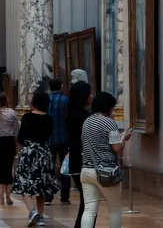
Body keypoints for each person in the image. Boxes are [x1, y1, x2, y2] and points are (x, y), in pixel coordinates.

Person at [80, 92, 131, 228]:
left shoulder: (87, 122)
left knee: (89, 209)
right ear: (108, 107)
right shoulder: (109, 123)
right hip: (106, 171)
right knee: (114, 208)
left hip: (86, 170)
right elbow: (117, 149)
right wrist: (124, 138)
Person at [12, 91, 58, 227]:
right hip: (44, 153)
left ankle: (32, 212)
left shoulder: (27, 117)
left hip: (30, 153)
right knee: (41, 186)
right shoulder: (49, 118)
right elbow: (48, 135)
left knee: (24, 182)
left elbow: (21, 137)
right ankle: (41, 217)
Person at [66, 82, 93, 228]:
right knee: (89, 203)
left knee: (86, 202)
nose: (92, 96)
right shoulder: (84, 117)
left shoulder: (71, 114)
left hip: (76, 161)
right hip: (84, 162)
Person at [0, 92, 18, 206]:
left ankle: (1, 199)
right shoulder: (12, 113)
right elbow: (15, 130)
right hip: (9, 142)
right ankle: (8, 197)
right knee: (8, 169)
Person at [46, 78, 70, 205]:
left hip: (49, 138)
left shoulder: (46, 101)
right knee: (64, 167)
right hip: (64, 138)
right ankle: (65, 196)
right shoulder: (66, 100)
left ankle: (48, 196)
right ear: (61, 86)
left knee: (49, 167)